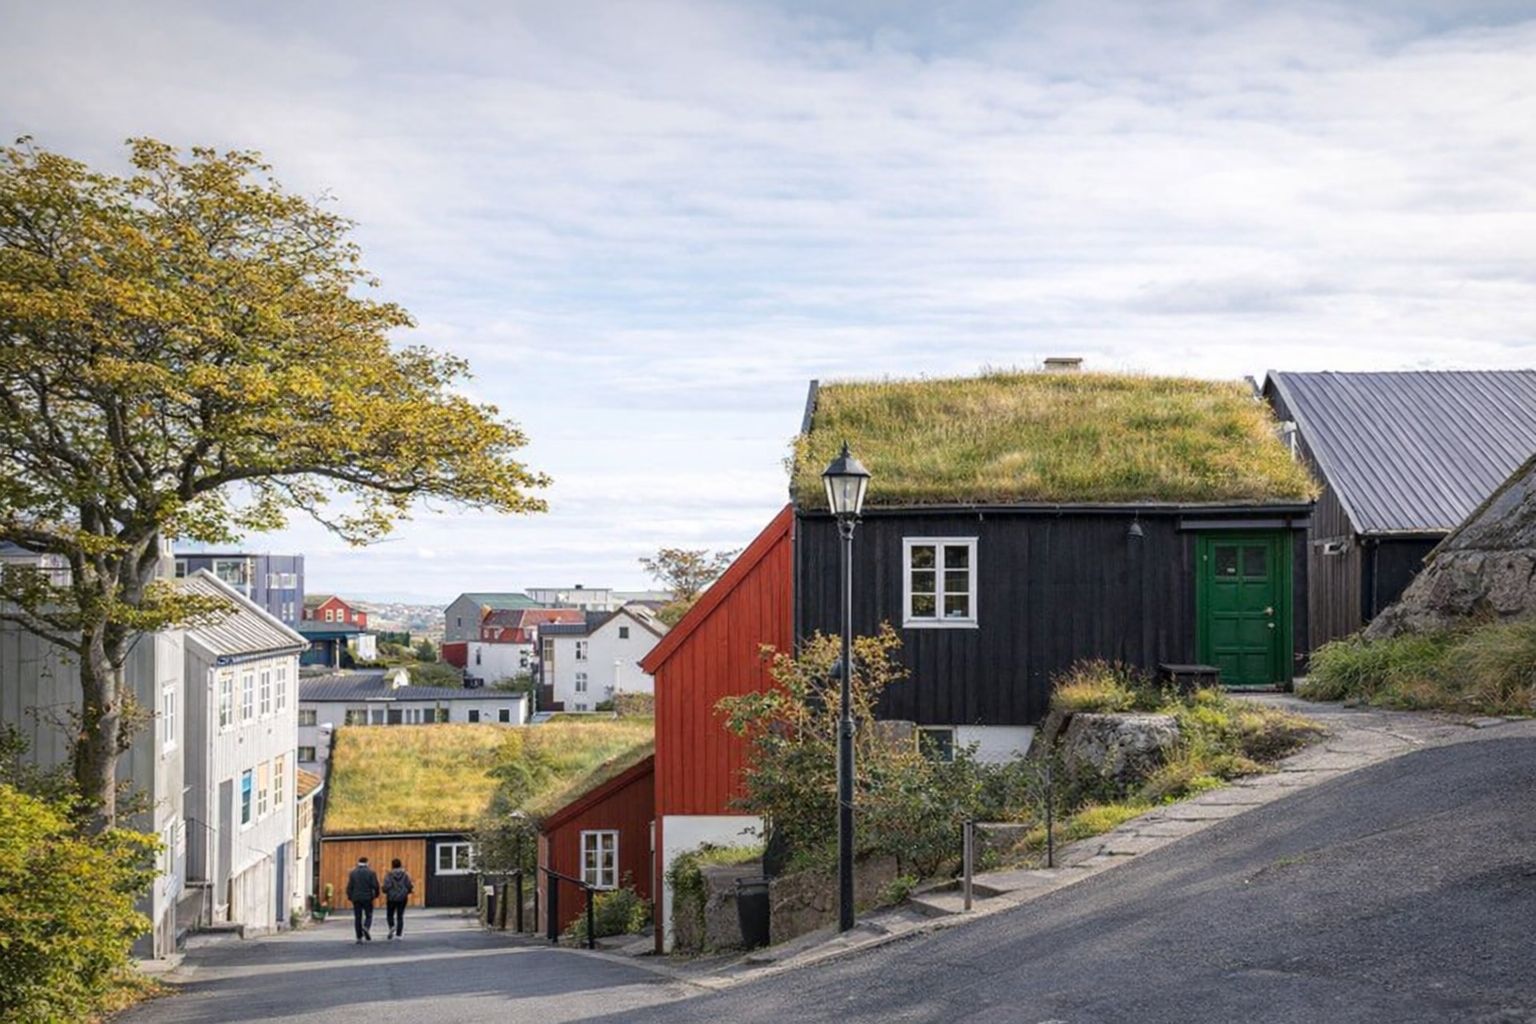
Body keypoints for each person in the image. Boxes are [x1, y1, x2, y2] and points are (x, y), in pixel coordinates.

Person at [346, 856, 380, 944]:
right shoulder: (371, 872)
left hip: (356, 897)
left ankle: (359, 937)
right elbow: (375, 885)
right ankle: (366, 927)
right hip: (367, 897)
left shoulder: (353, 873)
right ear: (367, 863)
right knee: (369, 914)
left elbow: (350, 886)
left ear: (358, 862)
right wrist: (376, 894)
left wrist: (350, 896)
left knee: (358, 917)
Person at [382, 857, 414, 940]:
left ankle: (392, 926)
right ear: (400, 865)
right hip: (402, 897)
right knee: (400, 916)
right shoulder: (405, 874)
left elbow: (386, 886)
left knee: (390, 914)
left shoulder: (389, 875)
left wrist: (385, 891)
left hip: (391, 897)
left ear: (392, 865)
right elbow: (409, 885)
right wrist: (409, 891)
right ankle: (399, 935)